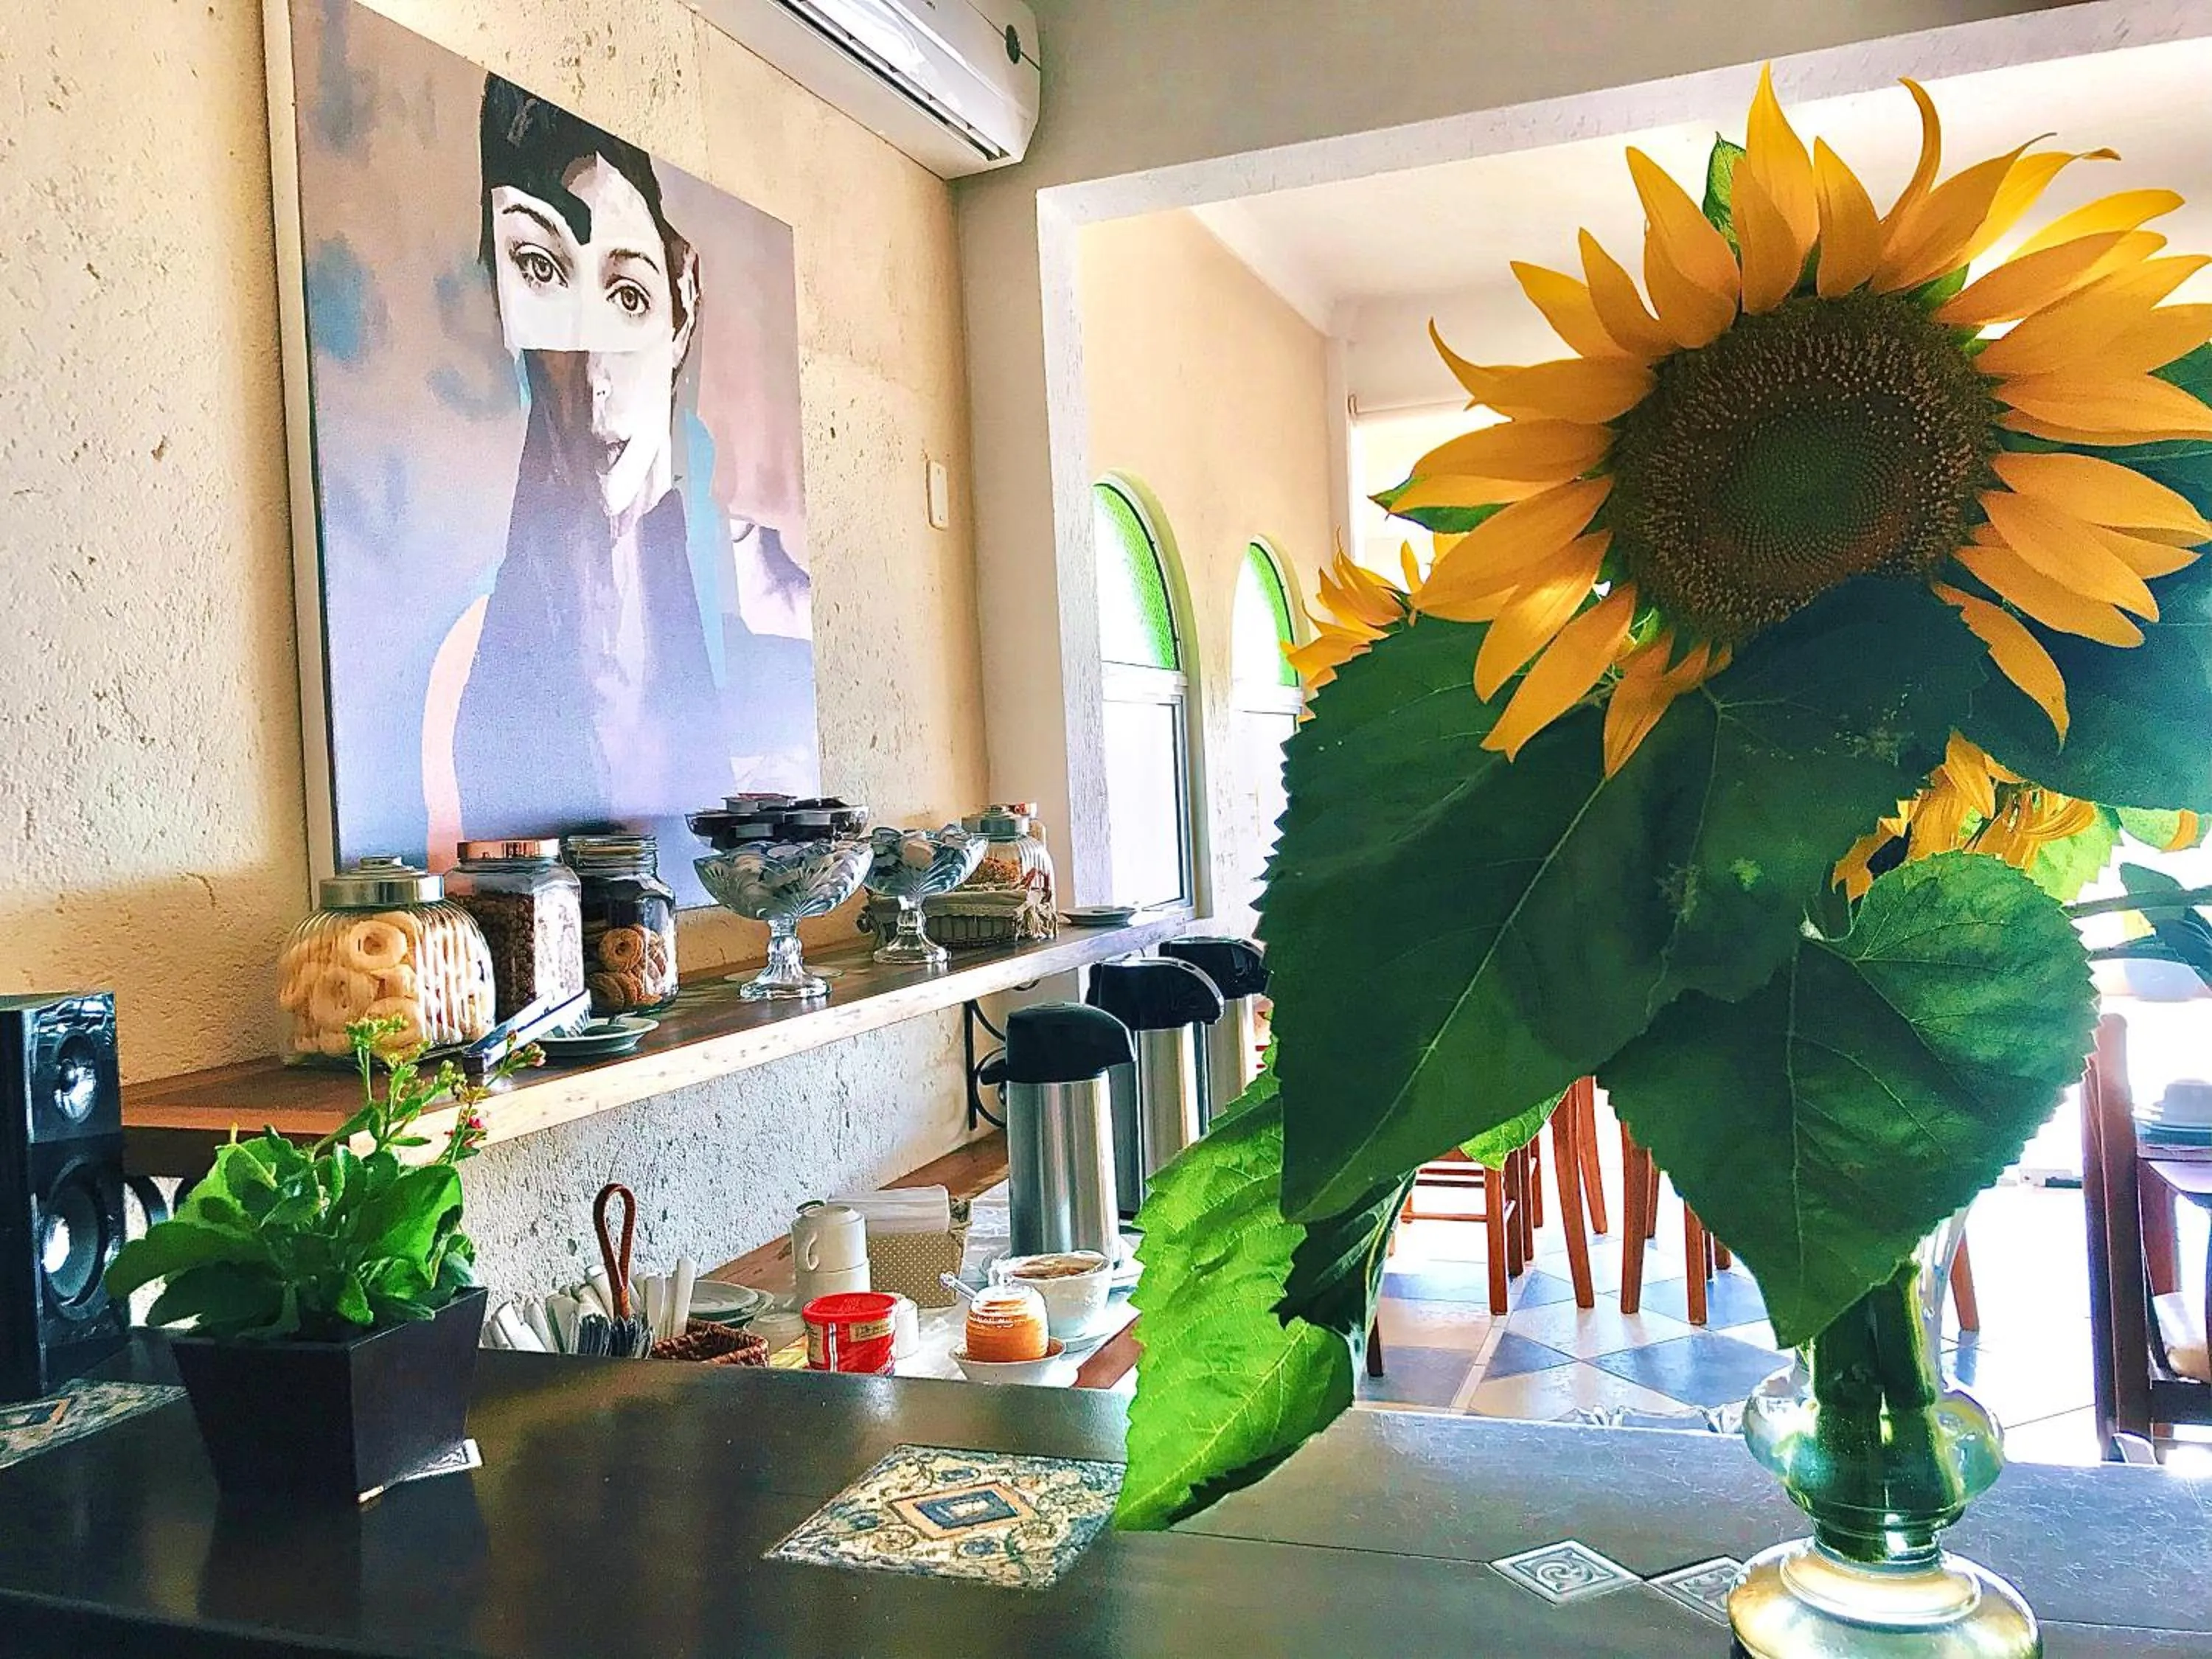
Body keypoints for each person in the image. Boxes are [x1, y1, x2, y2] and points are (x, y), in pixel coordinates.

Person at [432, 75, 799, 851]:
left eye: (628, 296)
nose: (596, 370)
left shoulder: (755, 616)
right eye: (540, 272)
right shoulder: (467, 674)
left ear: (683, 301)